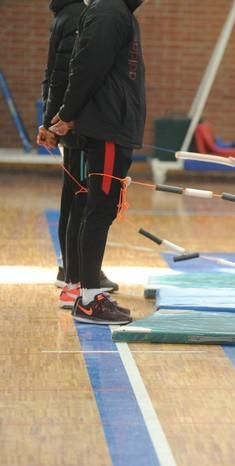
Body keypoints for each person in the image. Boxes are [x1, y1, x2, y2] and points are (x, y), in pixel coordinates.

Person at [49, 0, 147, 325]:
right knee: (97, 208)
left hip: (114, 126)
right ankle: (89, 298)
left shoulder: (118, 13)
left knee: (100, 208)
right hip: (106, 126)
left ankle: (88, 293)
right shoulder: (108, 12)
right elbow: (85, 66)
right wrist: (66, 114)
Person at [36, 0, 120, 311]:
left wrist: (51, 121)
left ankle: (74, 274)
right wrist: (56, 123)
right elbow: (66, 75)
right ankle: (74, 279)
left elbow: (56, 74)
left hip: (70, 124)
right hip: (77, 128)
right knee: (80, 201)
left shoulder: (70, 14)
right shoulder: (76, 16)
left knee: (74, 199)